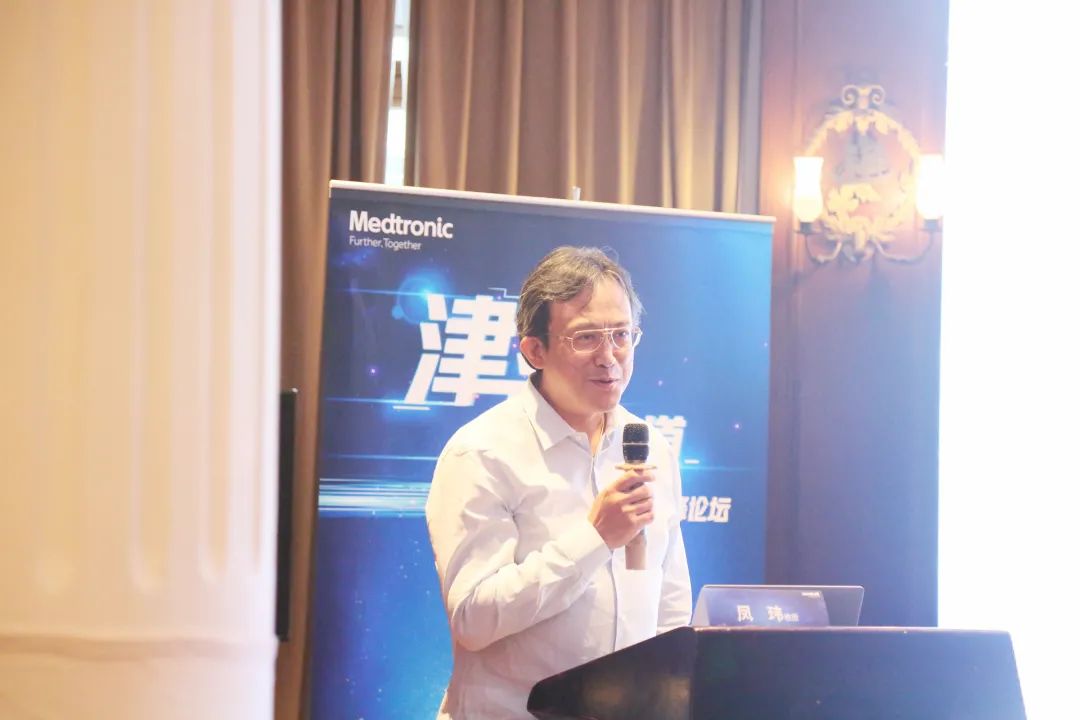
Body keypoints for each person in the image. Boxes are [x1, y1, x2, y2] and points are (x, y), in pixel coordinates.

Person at [425, 246, 692, 719]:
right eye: (586, 338)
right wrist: (595, 538)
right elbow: (473, 619)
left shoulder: (650, 446)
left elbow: (669, 604)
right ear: (535, 350)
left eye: (622, 335)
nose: (609, 357)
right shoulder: (482, 453)